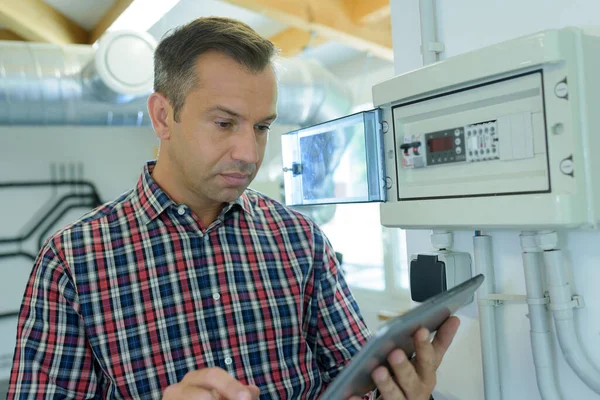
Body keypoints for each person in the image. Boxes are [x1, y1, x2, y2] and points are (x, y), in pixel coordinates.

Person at [7, 17, 460, 399]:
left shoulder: (299, 240)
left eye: (262, 127)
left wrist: (397, 391)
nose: (249, 152)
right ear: (163, 116)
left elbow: (351, 383)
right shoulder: (73, 259)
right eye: (224, 123)